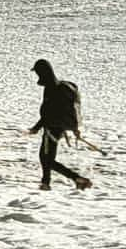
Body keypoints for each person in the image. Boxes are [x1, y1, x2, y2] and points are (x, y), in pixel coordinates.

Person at [27, 58, 92, 191]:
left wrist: (36, 127)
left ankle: (75, 179)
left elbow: (47, 113)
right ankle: (49, 183)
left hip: (52, 128)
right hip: (57, 128)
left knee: (46, 159)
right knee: (46, 158)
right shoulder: (55, 87)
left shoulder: (51, 89)